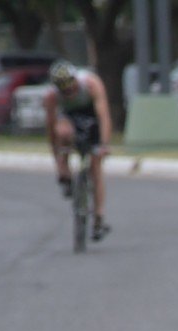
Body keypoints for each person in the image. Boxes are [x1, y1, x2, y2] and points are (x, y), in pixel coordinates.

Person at [43, 60, 111, 241]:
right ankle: (67, 175)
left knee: (96, 167)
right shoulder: (51, 97)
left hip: (92, 118)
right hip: (70, 119)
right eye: (64, 90)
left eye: (71, 88)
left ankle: (98, 217)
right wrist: (59, 164)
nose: (69, 93)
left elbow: (104, 116)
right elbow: (51, 131)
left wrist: (104, 145)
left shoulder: (91, 84)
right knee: (62, 132)